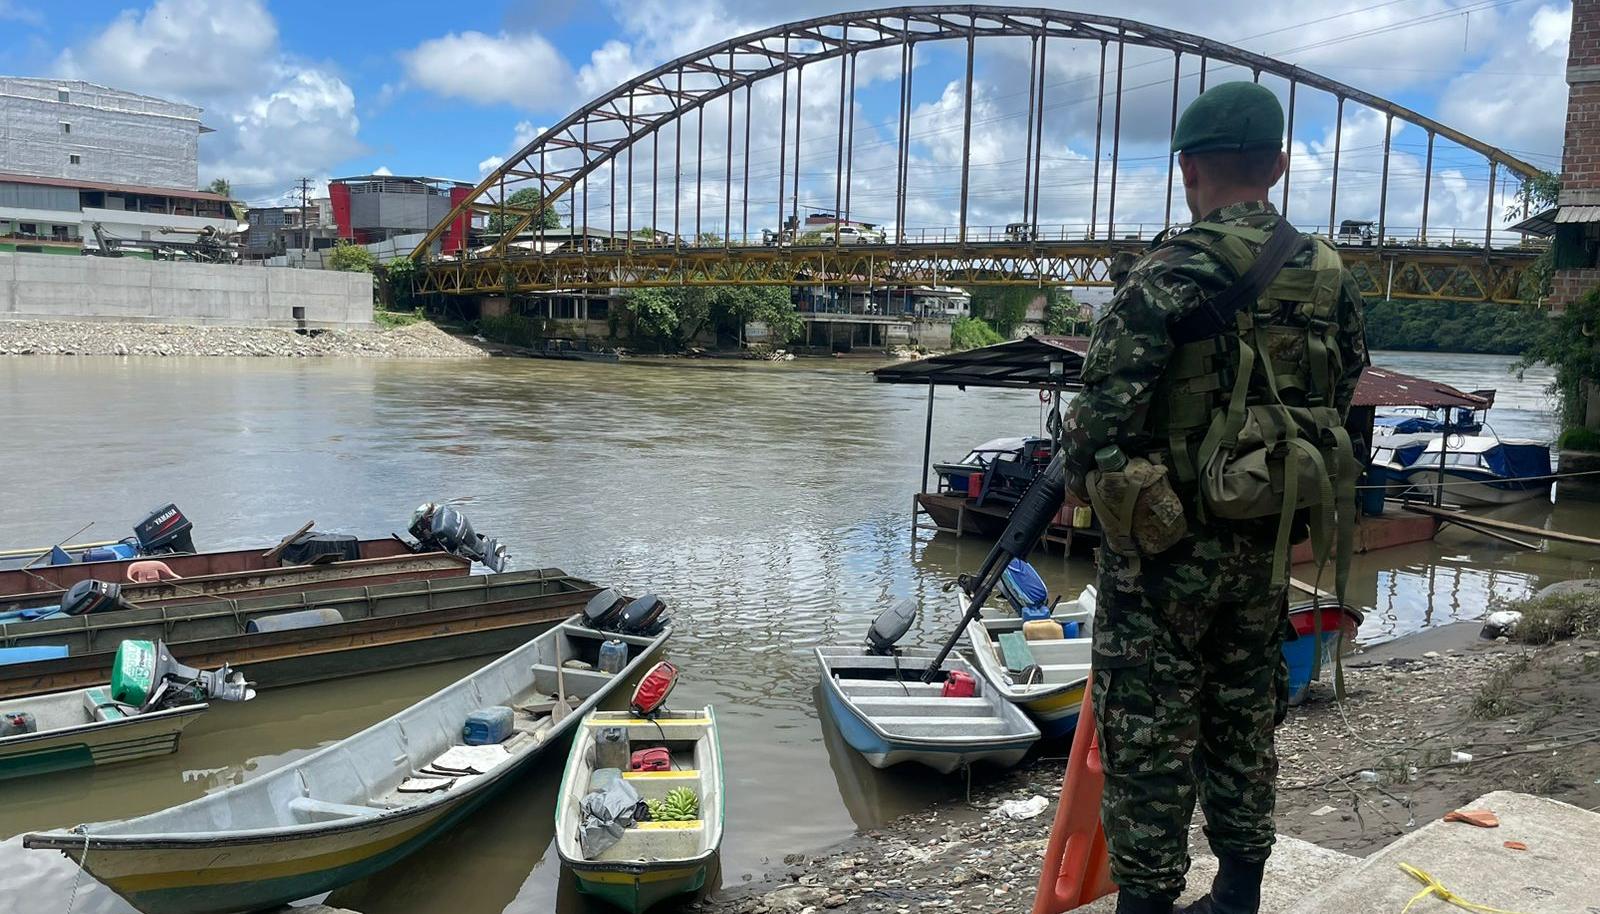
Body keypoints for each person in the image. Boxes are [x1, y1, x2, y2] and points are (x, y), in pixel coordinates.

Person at [1059, 81, 1369, 914]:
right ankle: (1237, 896)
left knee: (1149, 736)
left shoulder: (1171, 271)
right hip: (1265, 542)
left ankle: (1149, 903)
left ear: (1187, 168)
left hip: (1165, 555)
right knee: (1242, 719)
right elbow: (1341, 399)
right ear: (1275, 164)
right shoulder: (1331, 276)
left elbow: (1097, 423)